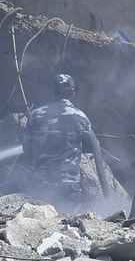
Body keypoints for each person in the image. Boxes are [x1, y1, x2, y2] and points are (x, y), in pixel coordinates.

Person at [18, 74, 111, 210]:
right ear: (72, 93)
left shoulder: (35, 115)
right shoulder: (81, 116)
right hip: (69, 188)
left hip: (39, 186)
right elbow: (91, 146)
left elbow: (27, 149)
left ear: (51, 90)